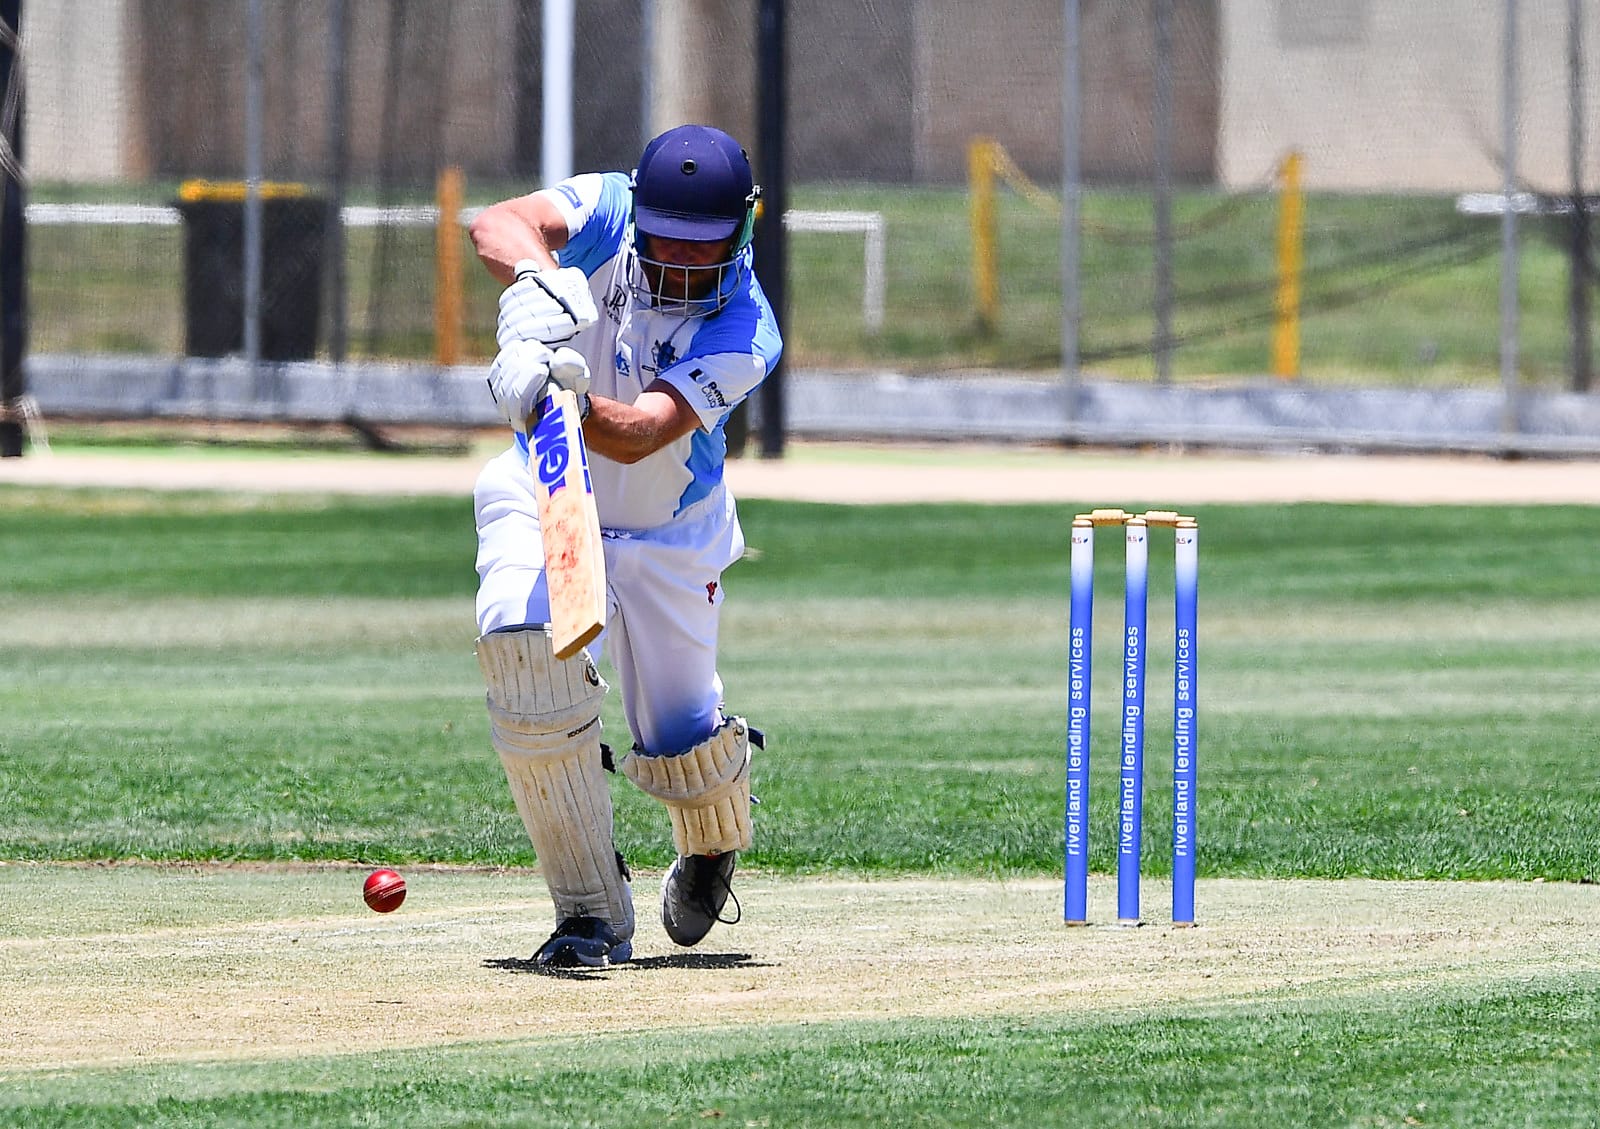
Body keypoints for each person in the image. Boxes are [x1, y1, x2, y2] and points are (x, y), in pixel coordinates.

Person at [466, 124, 781, 970]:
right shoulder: (609, 205)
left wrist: (558, 396)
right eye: (667, 246)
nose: (681, 269)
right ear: (640, 216)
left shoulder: (748, 327)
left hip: (672, 530)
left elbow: (644, 431)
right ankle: (589, 911)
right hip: (550, 485)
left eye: (703, 250)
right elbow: (495, 221)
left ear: (744, 232)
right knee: (524, 654)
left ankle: (714, 837)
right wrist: (536, 281)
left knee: (680, 738)